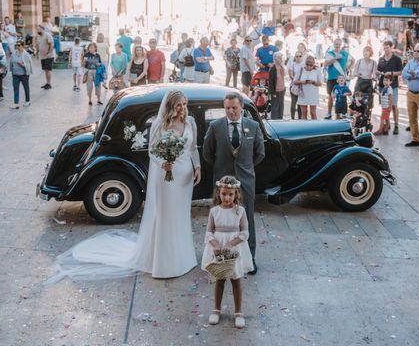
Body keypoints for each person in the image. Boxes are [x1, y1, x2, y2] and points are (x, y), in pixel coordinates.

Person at [47, 91, 200, 282]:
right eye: (178, 105)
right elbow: (152, 151)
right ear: (170, 106)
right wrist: (163, 164)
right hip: (166, 176)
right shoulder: (160, 124)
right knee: (166, 215)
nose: (182, 109)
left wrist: (198, 166)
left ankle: (183, 257)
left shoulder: (190, 122)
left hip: (184, 175)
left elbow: (193, 148)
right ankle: (164, 261)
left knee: (180, 214)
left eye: (184, 104)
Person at [203, 92, 265, 274]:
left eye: (234, 108)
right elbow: (208, 153)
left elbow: (260, 153)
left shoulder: (253, 127)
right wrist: (221, 169)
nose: (231, 111)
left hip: (245, 181)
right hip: (222, 182)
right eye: (227, 108)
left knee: (247, 220)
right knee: (221, 220)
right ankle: (220, 258)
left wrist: (245, 168)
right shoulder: (215, 126)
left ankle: (249, 260)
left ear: (241, 107)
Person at [203, 176, 254, 329]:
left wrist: (231, 244)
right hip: (218, 248)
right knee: (220, 278)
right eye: (224, 194)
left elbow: (245, 233)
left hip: (235, 248)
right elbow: (208, 233)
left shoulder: (241, 211)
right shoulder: (214, 211)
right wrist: (215, 244)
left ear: (236, 194)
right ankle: (216, 310)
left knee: (236, 279)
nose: (227, 197)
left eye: (230, 194)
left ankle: (238, 312)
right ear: (218, 193)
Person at [376, 40, 403, 134]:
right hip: (382, 85)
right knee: (384, 106)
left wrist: (391, 73)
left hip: (393, 85)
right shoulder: (381, 59)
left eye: (387, 47)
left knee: (394, 105)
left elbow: (400, 72)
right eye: (384, 48)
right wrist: (378, 72)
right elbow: (378, 70)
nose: (386, 49)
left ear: (392, 47)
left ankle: (396, 125)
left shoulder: (397, 59)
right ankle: (387, 125)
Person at [324, 39, 351, 119]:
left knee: (343, 96)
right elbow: (326, 64)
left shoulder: (345, 53)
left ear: (341, 44)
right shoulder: (329, 53)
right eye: (336, 44)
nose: (337, 45)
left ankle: (342, 113)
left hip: (342, 78)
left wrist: (347, 67)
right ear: (333, 44)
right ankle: (329, 113)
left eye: (339, 44)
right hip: (332, 77)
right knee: (331, 96)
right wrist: (335, 58)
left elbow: (353, 60)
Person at [295, 55, 324, 120]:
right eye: (307, 65)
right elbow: (295, 82)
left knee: (313, 113)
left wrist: (313, 82)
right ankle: (305, 128)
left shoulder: (317, 70)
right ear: (305, 64)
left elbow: (320, 83)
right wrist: (302, 82)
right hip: (303, 94)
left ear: (314, 64)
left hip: (313, 94)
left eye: (311, 65)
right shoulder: (301, 69)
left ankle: (315, 128)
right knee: (304, 112)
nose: (309, 67)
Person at [8, 40, 32, 109]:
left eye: (19, 45)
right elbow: (11, 62)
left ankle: (27, 101)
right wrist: (12, 71)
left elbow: (29, 65)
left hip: (24, 74)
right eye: (16, 45)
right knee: (15, 88)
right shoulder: (14, 53)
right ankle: (16, 103)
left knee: (26, 87)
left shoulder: (26, 54)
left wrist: (23, 65)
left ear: (22, 46)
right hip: (15, 74)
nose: (17, 46)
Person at [35, 25, 55, 90]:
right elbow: (38, 46)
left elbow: (51, 45)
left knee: (48, 70)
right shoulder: (38, 37)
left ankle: (49, 84)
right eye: (37, 29)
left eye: (38, 29)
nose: (37, 31)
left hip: (49, 56)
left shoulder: (48, 35)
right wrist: (37, 54)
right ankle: (47, 83)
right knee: (45, 70)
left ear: (42, 29)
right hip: (42, 56)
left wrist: (49, 53)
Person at [268, 52, 286, 119]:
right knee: (275, 107)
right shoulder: (273, 68)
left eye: (281, 58)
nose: (281, 59)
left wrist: (282, 66)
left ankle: (280, 120)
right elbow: (271, 82)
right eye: (279, 58)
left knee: (281, 107)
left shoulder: (281, 67)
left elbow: (284, 75)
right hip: (275, 91)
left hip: (282, 90)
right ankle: (274, 121)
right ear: (275, 58)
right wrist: (273, 93)